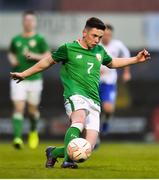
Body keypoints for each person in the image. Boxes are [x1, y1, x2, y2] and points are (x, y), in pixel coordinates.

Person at [10, 17, 150, 168]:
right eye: (94, 36)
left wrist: (136, 59)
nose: (97, 40)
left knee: (86, 149)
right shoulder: (68, 48)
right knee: (79, 119)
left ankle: (53, 152)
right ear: (84, 32)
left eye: (100, 37)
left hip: (94, 101)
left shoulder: (100, 51)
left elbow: (113, 63)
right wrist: (24, 74)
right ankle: (67, 161)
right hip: (75, 95)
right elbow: (46, 62)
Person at [8, 10, 50, 149]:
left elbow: (48, 56)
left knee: (32, 110)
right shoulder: (16, 39)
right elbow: (11, 53)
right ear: (23, 22)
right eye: (26, 20)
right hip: (18, 77)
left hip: (35, 78)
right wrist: (12, 59)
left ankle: (33, 131)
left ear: (35, 23)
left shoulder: (39, 39)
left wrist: (34, 56)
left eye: (31, 20)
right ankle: (18, 138)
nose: (29, 23)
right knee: (18, 107)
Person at [100, 24, 131, 134]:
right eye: (105, 34)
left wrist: (127, 72)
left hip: (109, 82)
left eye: (109, 35)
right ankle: (94, 138)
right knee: (92, 111)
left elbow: (126, 57)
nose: (106, 37)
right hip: (93, 81)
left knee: (108, 109)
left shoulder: (117, 45)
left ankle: (106, 120)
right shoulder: (95, 45)